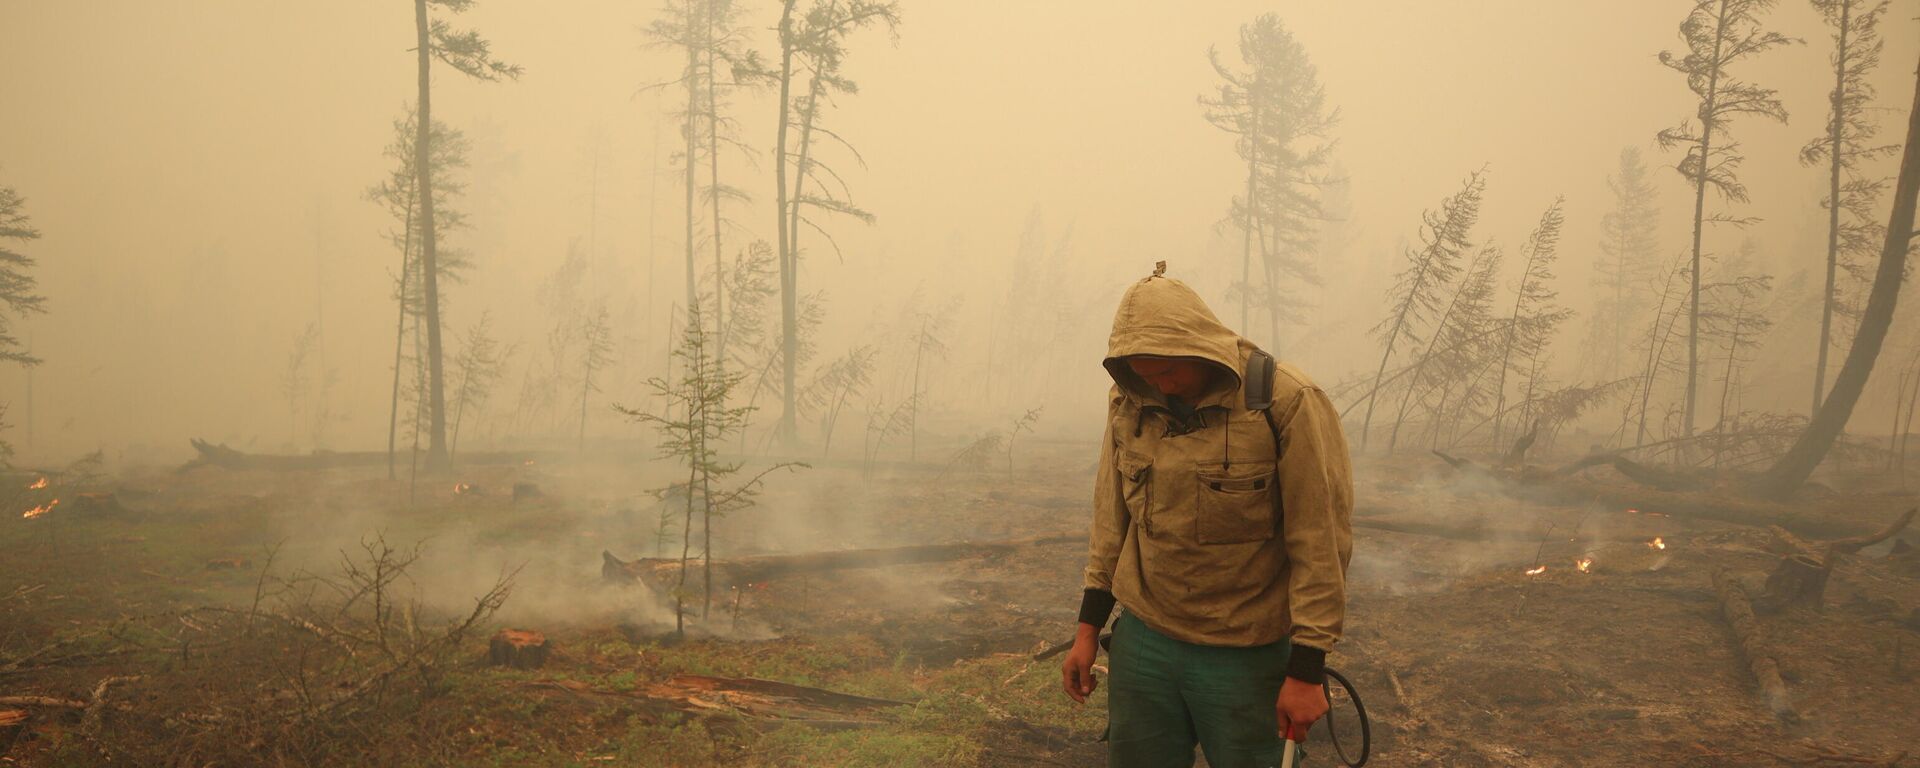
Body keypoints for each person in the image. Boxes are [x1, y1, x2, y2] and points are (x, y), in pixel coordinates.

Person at [1061, 263, 1354, 768]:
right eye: (1144, 374)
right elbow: (1110, 522)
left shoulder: (1285, 400)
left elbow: (1320, 542)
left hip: (1245, 654)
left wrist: (1307, 669)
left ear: (1198, 346)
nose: (1160, 385)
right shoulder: (1130, 400)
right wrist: (1088, 630)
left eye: (1168, 370)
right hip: (1144, 645)